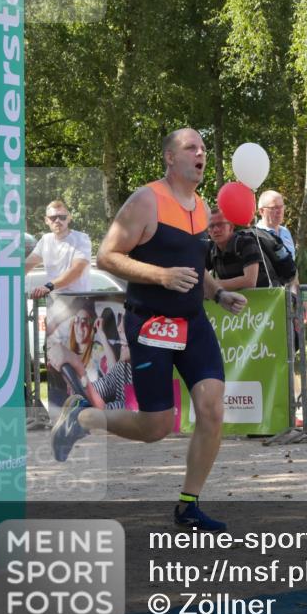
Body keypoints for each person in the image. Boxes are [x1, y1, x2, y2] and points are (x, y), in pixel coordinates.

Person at [50, 128, 247, 532]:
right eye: (191, 147)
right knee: (156, 426)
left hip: (192, 323)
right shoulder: (145, 200)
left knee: (211, 409)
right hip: (151, 323)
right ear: (169, 158)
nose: (201, 153)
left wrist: (218, 293)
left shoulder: (200, 204)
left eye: (204, 148)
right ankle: (83, 417)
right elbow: (106, 256)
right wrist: (159, 275)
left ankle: (188, 506)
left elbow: (194, 269)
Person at [25, 200, 92, 298]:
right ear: (46, 220)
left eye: (62, 217)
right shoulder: (45, 240)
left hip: (79, 302)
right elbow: (26, 266)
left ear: (69, 218)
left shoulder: (81, 238)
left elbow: (77, 270)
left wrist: (49, 286)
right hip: (55, 302)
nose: (57, 220)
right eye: (53, 218)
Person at [206, 208, 276, 289]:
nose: (216, 230)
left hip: (264, 299)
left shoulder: (246, 243)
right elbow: (198, 276)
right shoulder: (211, 250)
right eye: (211, 226)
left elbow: (249, 282)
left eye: (220, 224)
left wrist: (213, 284)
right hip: (235, 300)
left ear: (231, 227)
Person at [256, 189, 296, 258]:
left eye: (281, 207)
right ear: (262, 211)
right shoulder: (255, 235)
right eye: (275, 208)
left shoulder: (285, 232)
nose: (280, 211)